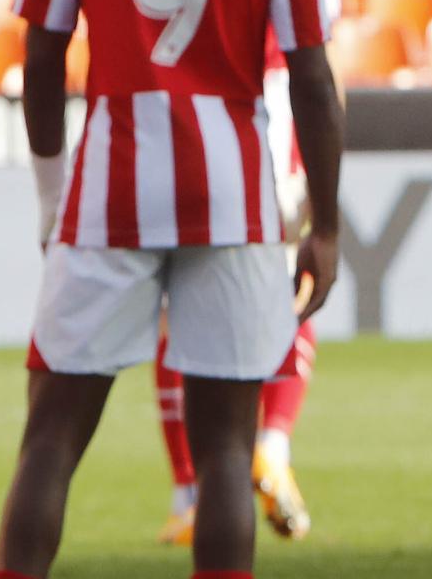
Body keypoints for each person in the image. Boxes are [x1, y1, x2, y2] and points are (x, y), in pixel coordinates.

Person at [0, 0, 344, 579]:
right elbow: (311, 80)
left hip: (108, 193)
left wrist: (48, 192)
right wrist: (325, 226)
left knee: (50, 442)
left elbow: (40, 53)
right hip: (232, 198)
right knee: (226, 451)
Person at [154, 37, 320, 546]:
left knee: (177, 306)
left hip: (187, 97)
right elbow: (320, 60)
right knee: (290, 286)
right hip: (273, 101)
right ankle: (273, 442)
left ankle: (189, 494)